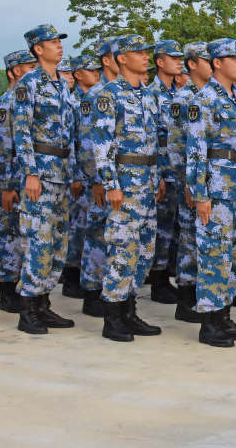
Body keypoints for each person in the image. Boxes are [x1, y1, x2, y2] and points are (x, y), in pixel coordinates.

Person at [186, 37, 236, 347]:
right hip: (217, 190)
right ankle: (210, 322)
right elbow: (195, 152)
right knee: (214, 255)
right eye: (233, 58)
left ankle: (224, 316)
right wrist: (200, 195)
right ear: (217, 63)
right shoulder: (203, 100)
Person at [90, 34, 164, 341]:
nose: (145, 56)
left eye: (146, 51)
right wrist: (111, 185)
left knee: (144, 251)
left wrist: (157, 176)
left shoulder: (147, 94)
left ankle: (130, 310)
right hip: (125, 182)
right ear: (122, 58)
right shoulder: (108, 95)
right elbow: (102, 144)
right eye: (138, 52)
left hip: (147, 182)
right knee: (122, 248)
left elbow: (155, 141)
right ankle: (113, 316)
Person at [12, 24, 79, 334]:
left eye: (58, 41)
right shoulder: (29, 83)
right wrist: (30, 172)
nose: (58, 46)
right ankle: (28, 309)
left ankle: (44, 303)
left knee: (57, 243)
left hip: (62, 174)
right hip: (41, 172)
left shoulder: (62, 85)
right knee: (38, 242)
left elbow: (71, 136)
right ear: (37, 49)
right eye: (52, 42)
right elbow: (22, 131)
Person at [0, 50, 37, 312]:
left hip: (29, 180)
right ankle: (7, 289)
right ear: (14, 72)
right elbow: (1, 149)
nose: (34, 70)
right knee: (9, 235)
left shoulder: (28, 100)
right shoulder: (6, 104)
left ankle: (22, 285)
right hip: (13, 179)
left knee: (26, 235)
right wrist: (6, 186)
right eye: (29, 66)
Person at [77, 36, 123, 318]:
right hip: (102, 180)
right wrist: (96, 180)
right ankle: (92, 291)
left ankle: (111, 289)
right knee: (97, 234)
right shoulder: (96, 94)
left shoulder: (124, 92)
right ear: (107, 60)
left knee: (117, 237)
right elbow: (87, 143)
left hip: (124, 178)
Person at [167, 42, 211, 324]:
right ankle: (186, 299)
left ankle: (202, 295)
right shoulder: (183, 98)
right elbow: (176, 145)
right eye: (207, 59)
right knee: (190, 240)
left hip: (211, 181)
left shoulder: (212, 96)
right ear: (192, 64)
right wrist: (186, 180)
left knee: (205, 240)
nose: (212, 64)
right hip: (191, 182)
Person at [61, 55, 102, 299]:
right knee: (76, 229)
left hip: (93, 174)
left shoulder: (94, 98)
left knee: (88, 227)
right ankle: (72, 276)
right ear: (78, 74)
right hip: (79, 176)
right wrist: (76, 175)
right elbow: (74, 143)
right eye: (90, 70)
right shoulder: (73, 101)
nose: (95, 73)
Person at [148, 40, 182, 304]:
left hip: (177, 172)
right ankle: (157, 280)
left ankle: (167, 276)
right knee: (161, 229)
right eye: (173, 57)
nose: (179, 61)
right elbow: (152, 138)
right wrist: (158, 174)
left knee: (174, 229)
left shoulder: (176, 94)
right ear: (160, 61)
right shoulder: (153, 94)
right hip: (163, 173)